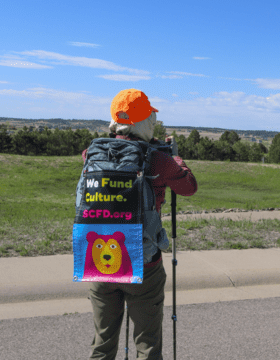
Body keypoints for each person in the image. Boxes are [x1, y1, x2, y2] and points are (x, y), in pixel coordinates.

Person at [83, 88, 198, 360]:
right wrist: (174, 157)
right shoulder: (157, 159)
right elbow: (189, 187)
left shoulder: (91, 153)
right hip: (143, 264)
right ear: (146, 121)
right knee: (147, 344)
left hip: (99, 260)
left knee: (102, 343)